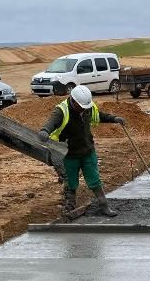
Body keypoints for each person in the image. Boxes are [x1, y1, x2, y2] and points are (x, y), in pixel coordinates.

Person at [38, 85, 125, 216]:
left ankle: (104, 205)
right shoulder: (61, 111)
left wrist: (113, 118)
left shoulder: (87, 107)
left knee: (94, 179)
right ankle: (70, 206)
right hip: (69, 154)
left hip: (87, 151)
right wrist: (45, 131)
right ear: (73, 101)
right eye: (81, 107)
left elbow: (98, 115)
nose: (84, 109)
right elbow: (51, 123)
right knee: (71, 182)